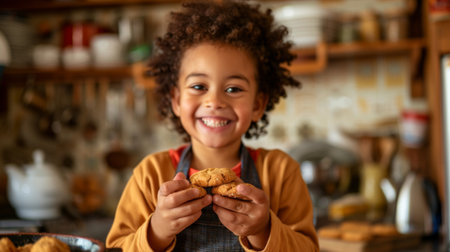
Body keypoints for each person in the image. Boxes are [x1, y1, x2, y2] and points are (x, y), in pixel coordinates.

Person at [106, 1, 319, 251]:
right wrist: (157, 231)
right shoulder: (150, 175)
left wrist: (264, 231)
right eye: (199, 87)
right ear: (176, 100)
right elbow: (116, 248)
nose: (215, 102)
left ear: (258, 104)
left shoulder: (281, 173)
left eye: (233, 89)